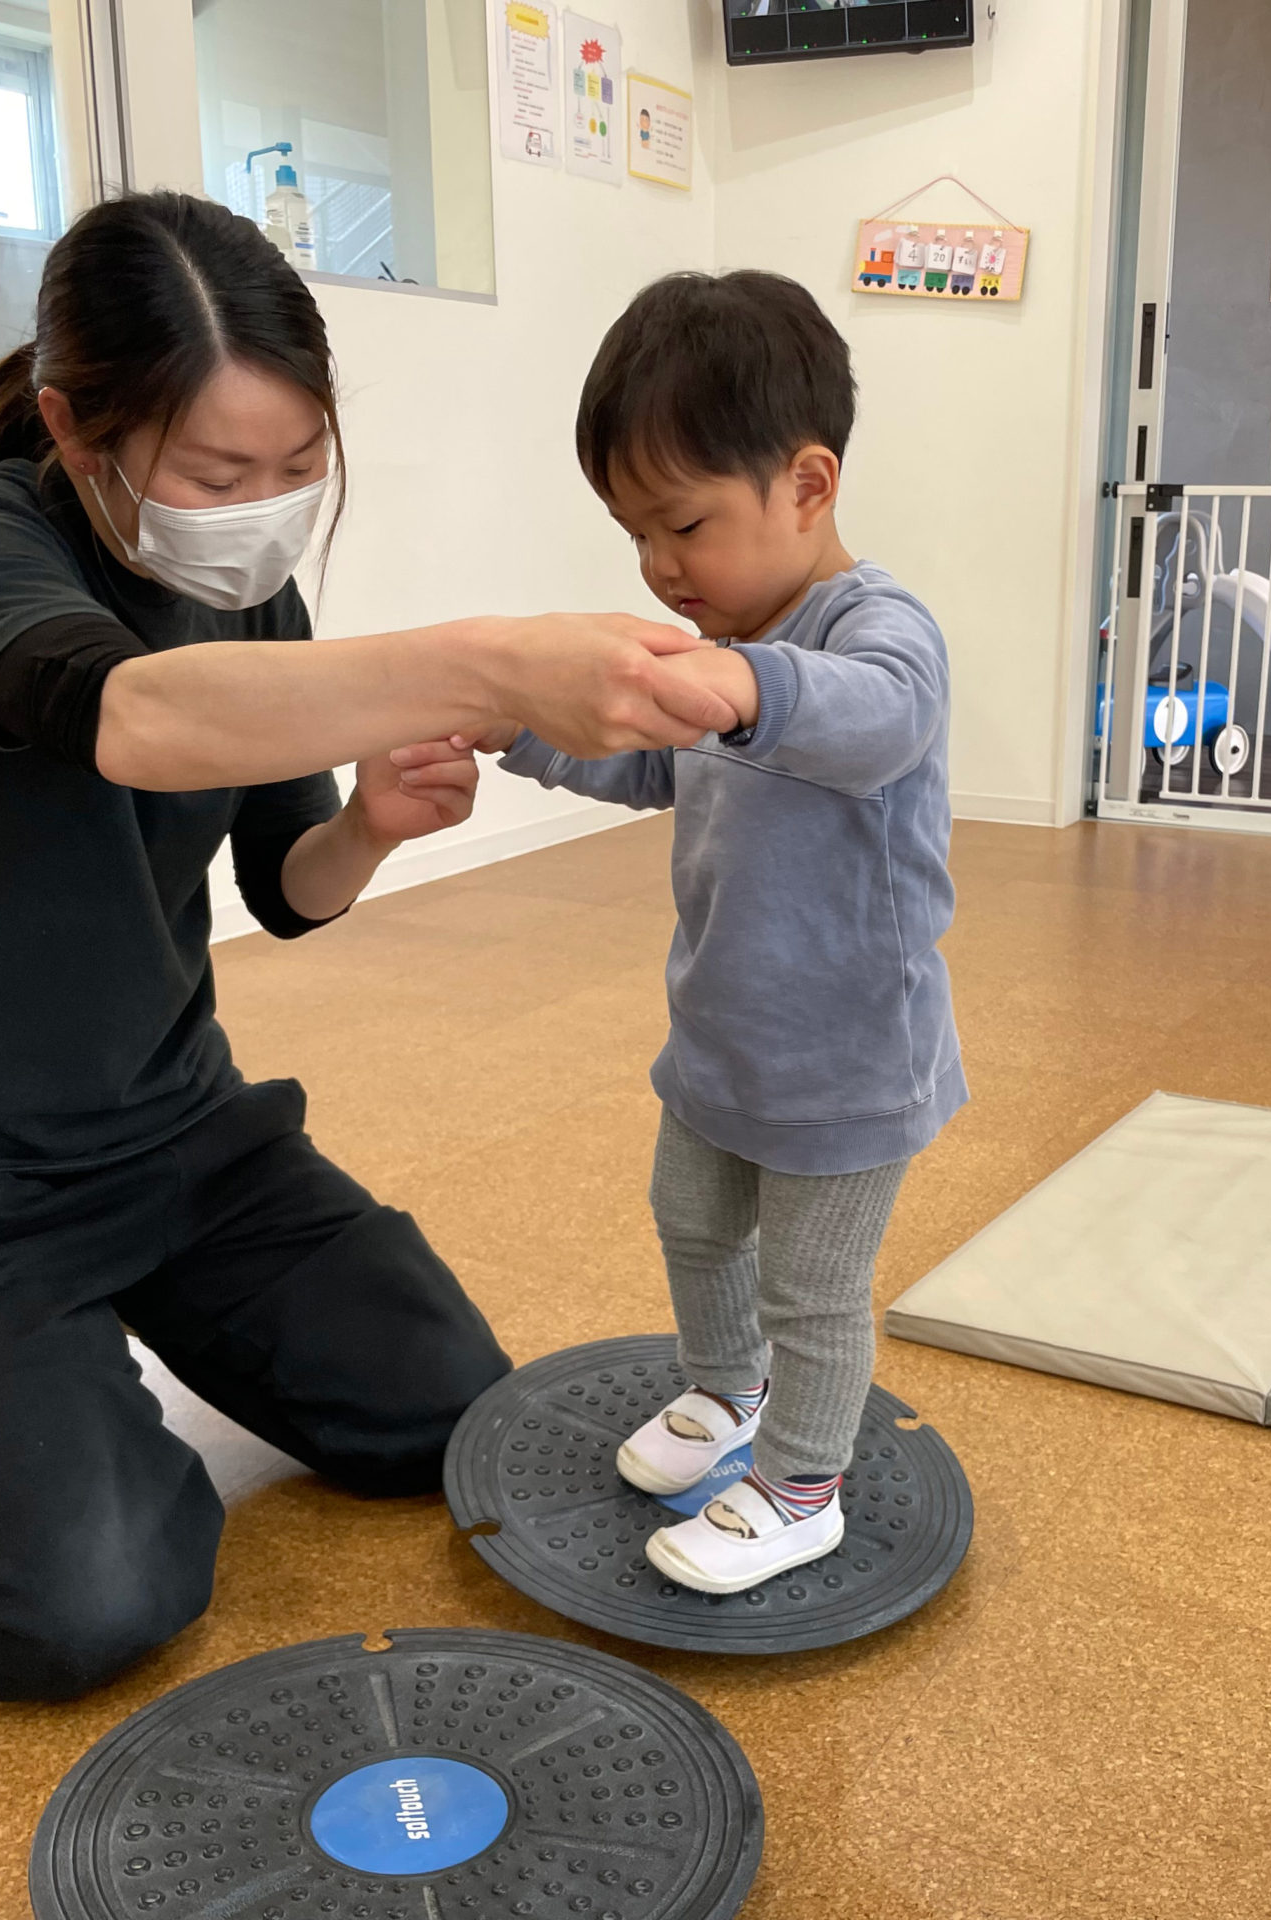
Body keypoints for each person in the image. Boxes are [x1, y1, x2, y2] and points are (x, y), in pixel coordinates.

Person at [0, 191, 740, 1703]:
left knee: (450, 1413)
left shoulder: (251, 594)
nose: (264, 507)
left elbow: (287, 890)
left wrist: (369, 824)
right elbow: (133, 720)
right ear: (76, 429)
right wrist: (494, 659)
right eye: (218, 473)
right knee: (86, 1611)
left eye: (298, 467)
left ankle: (60, 1353)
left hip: (181, 1138)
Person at [401, 269, 963, 1594]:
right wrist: (521, 729)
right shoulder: (720, 650)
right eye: (635, 533)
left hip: (847, 1061)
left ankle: (804, 1488)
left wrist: (738, 680)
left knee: (813, 1287)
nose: (660, 566)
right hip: (719, 1034)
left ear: (808, 484)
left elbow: (881, 716)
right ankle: (727, 1391)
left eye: (686, 524)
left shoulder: (875, 631)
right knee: (694, 1225)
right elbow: (652, 762)